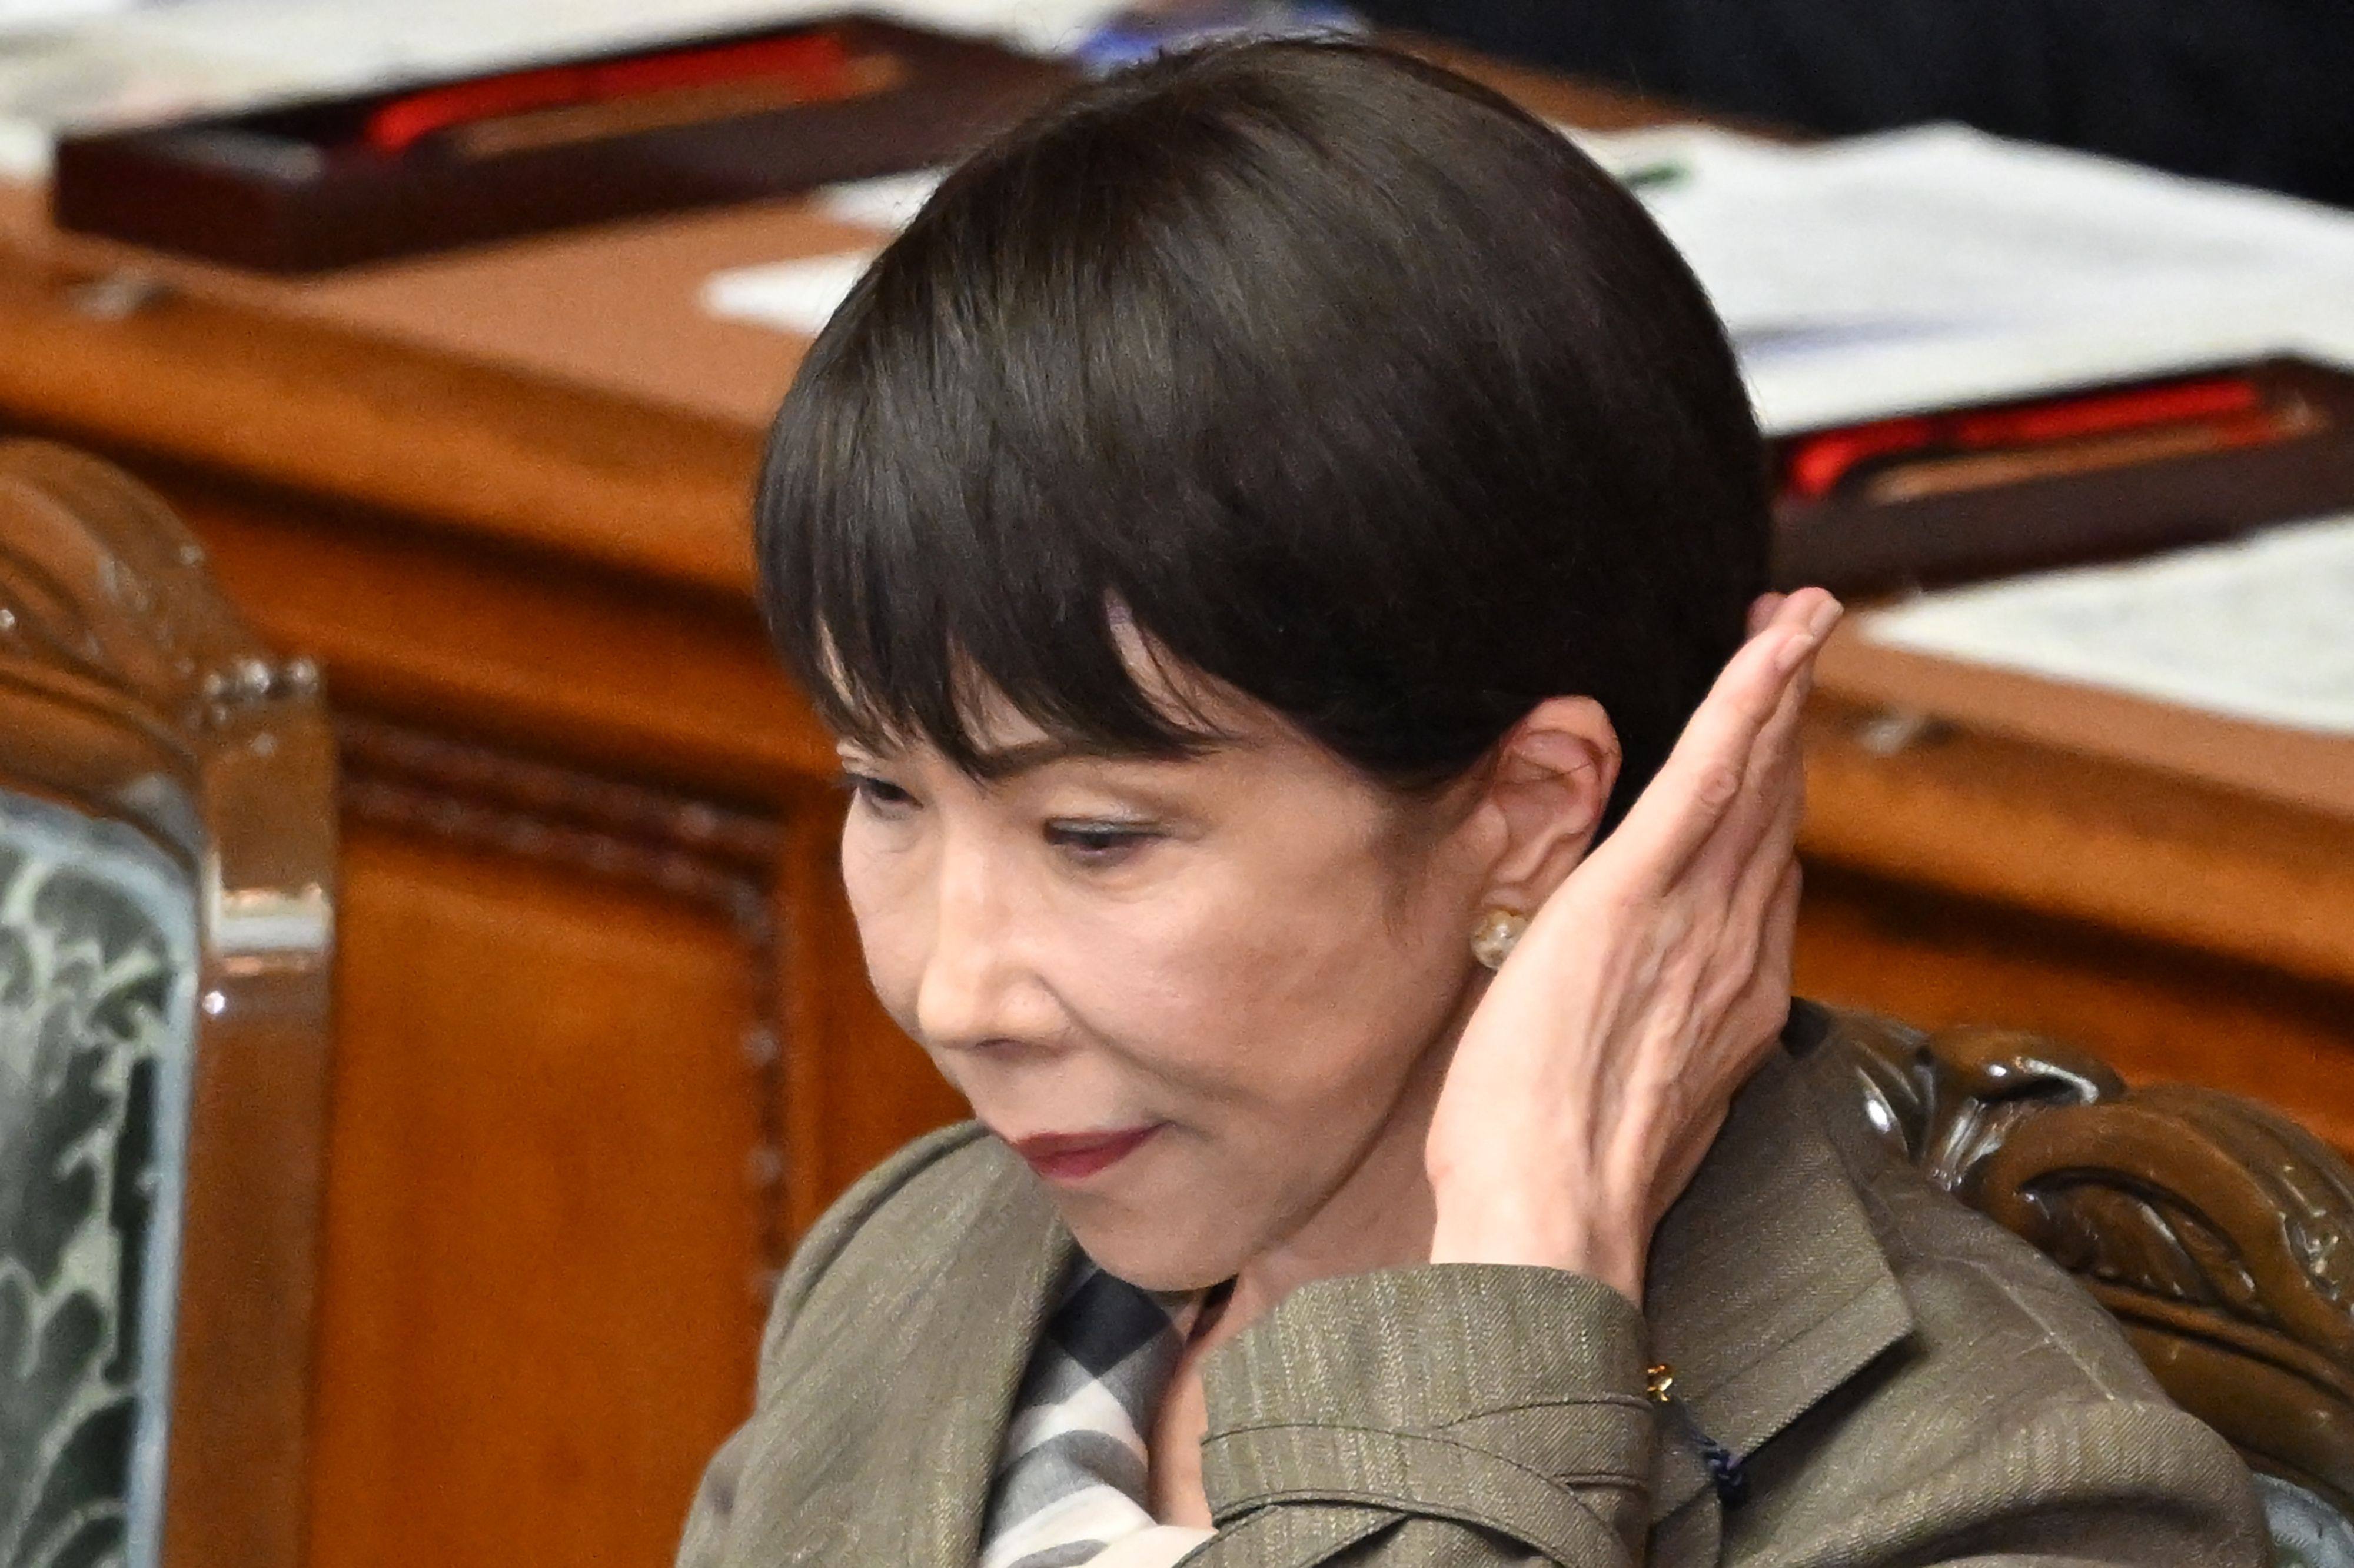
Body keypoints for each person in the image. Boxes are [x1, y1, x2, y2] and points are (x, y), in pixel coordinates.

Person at [676, 39, 2263, 1568]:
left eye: (1095, 835)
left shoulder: (1996, 1497)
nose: (955, 989)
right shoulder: (928, 1276)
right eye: (885, 788)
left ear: (1524, 804)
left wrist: (1507, 1292)